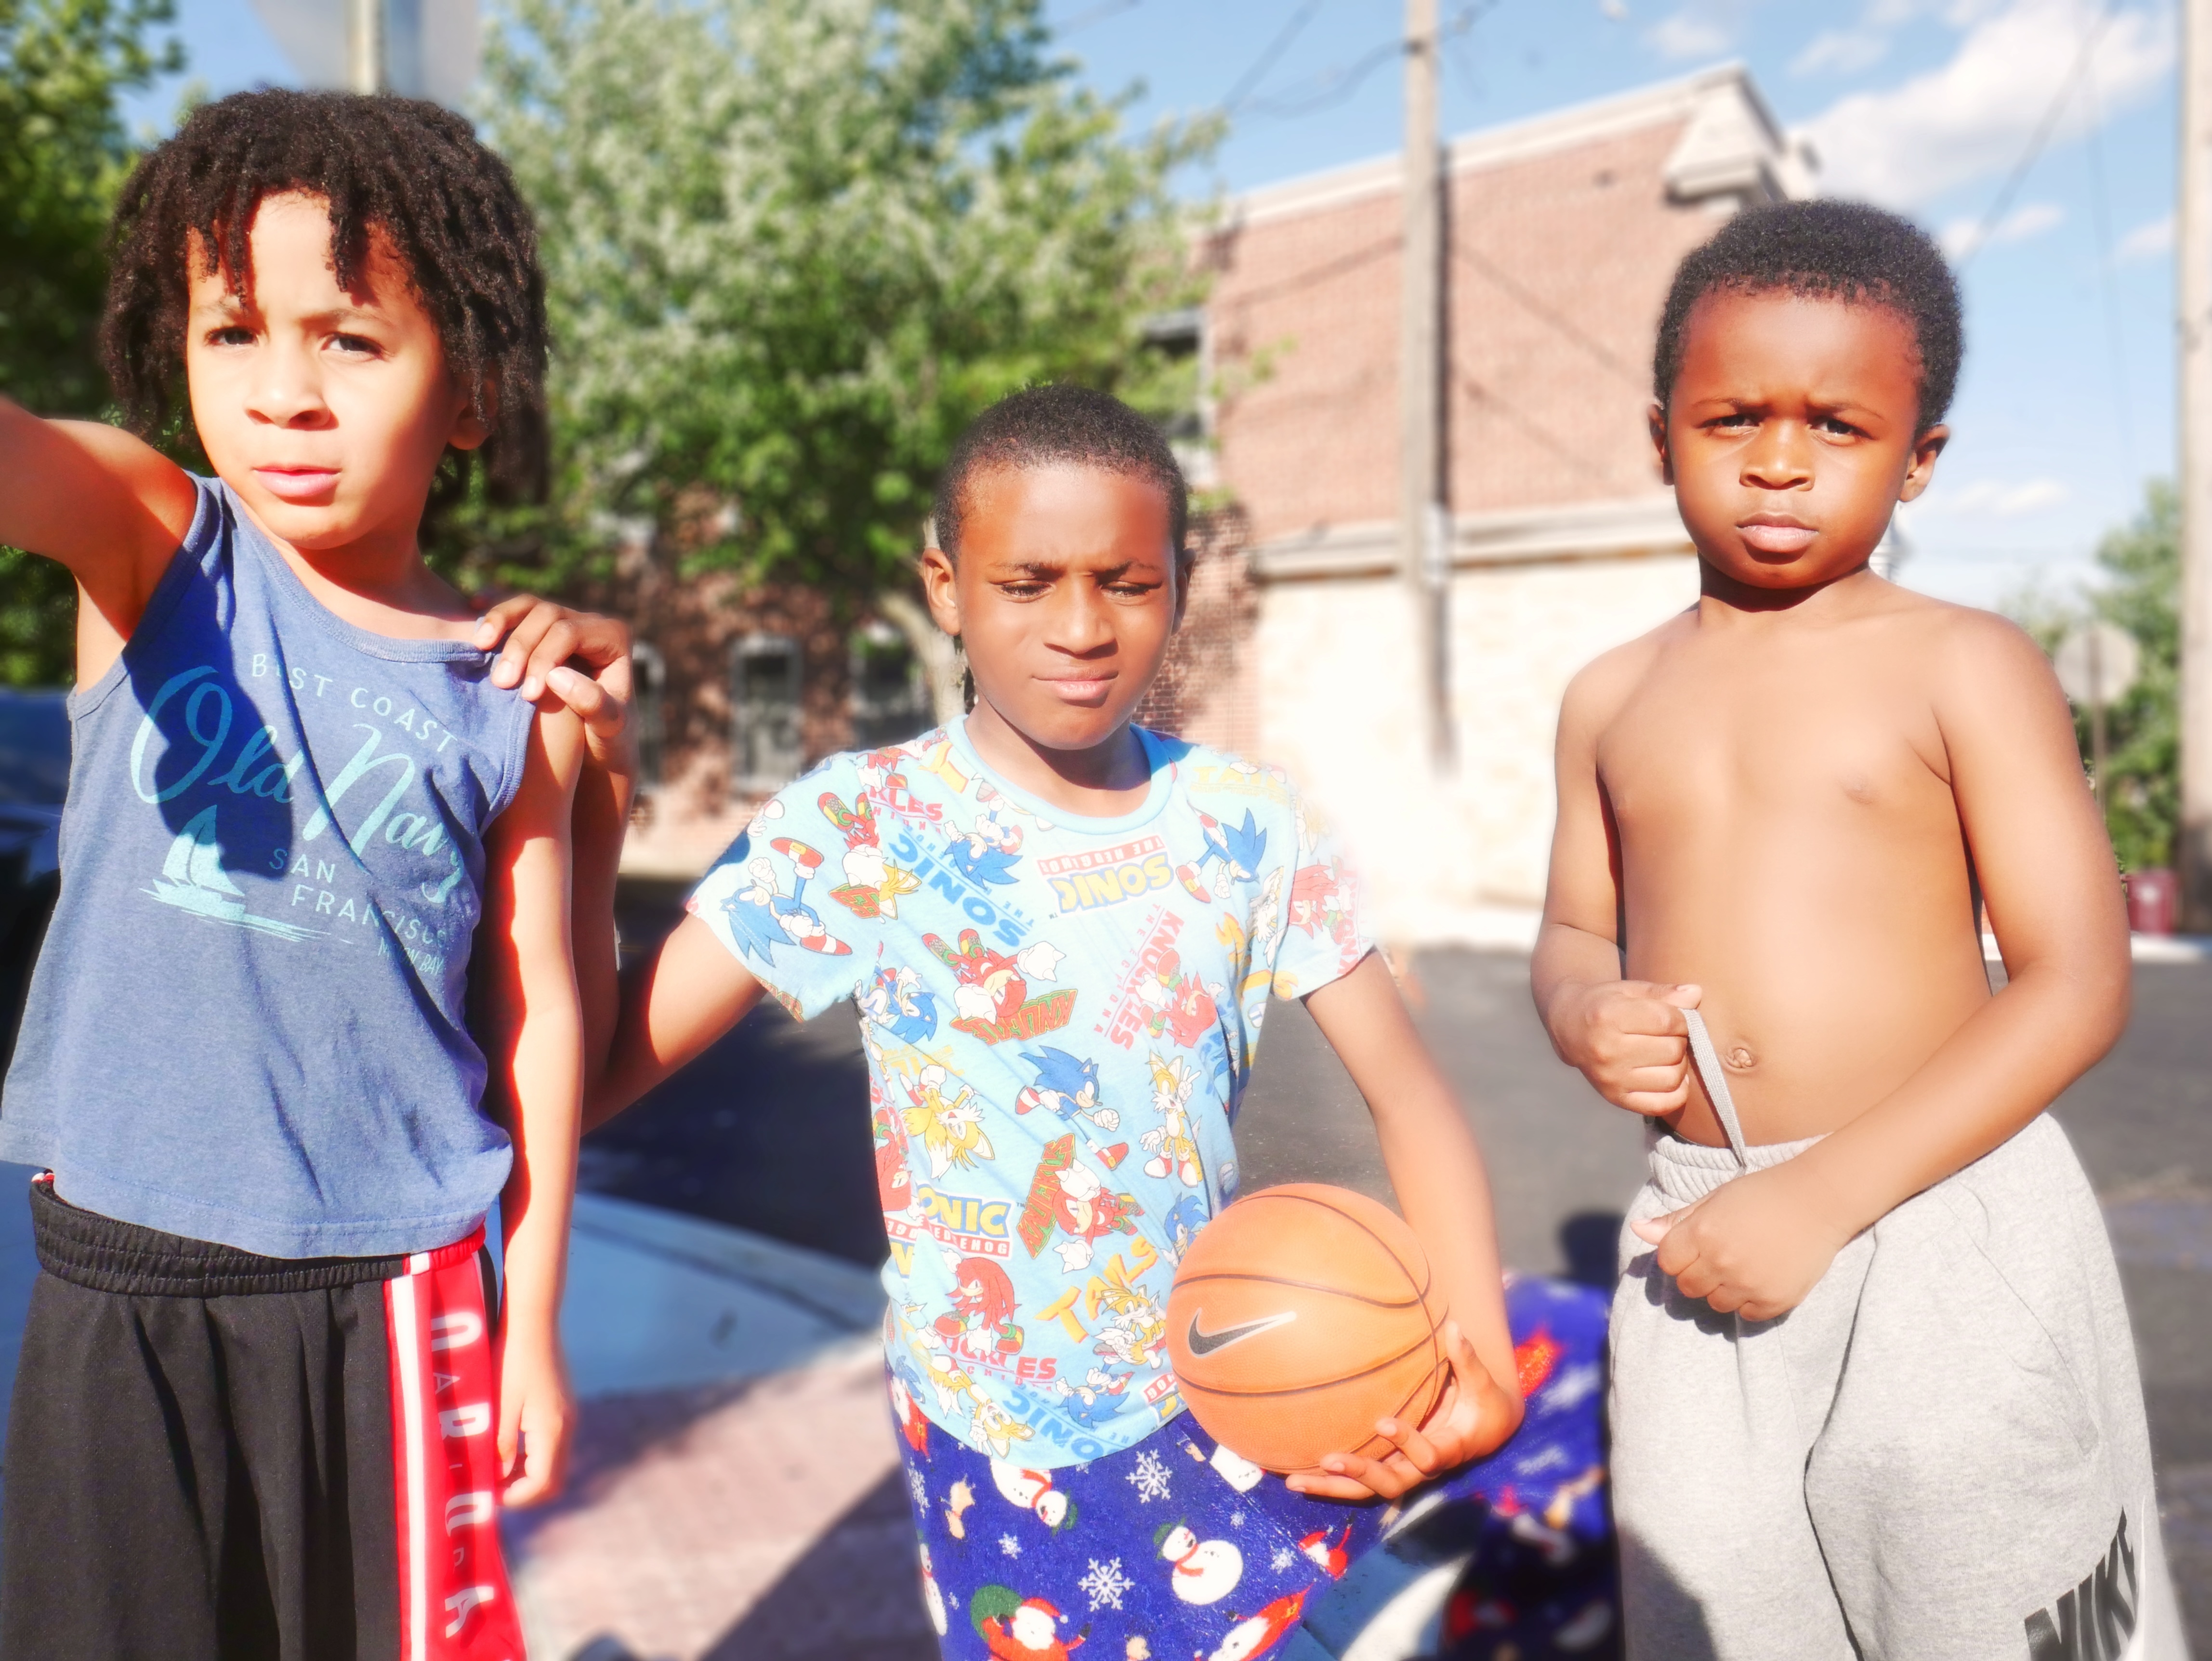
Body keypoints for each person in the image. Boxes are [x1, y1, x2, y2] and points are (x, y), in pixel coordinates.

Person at [550, 383, 1616, 1658]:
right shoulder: (860, 827)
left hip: (1232, 1388)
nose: (1080, 625)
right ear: (946, 588)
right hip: (998, 1448)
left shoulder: (1248, 823)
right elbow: (591, 1076)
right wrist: (601, 797)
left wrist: (1478, 1356)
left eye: (1127, 582)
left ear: (1181, 585)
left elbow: (1412, 1099)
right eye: (1027, 582)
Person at [1533, 198, 2186, 1659]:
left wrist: (1822, 1196)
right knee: (1719, 1611)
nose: (1780, 460)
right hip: (1701, 1233)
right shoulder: (1608, 696)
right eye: (1735, 419)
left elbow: (2078, 982)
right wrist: (1580, 1012)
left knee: (1990, 1608)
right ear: (1661, 437)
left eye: (1837, 426)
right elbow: (1575, 925)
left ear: (1919, 458)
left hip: (1938, 1208)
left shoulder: (1966, 663)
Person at [0, 90, 590, 1659]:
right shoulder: (155, 543)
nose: (283, 396)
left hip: (397, 1295)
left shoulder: (514, 701)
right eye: (232, 333)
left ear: (471, 393)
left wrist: (533, 1320)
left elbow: (542, 1022)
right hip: (117, 1278)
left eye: (351, 340)